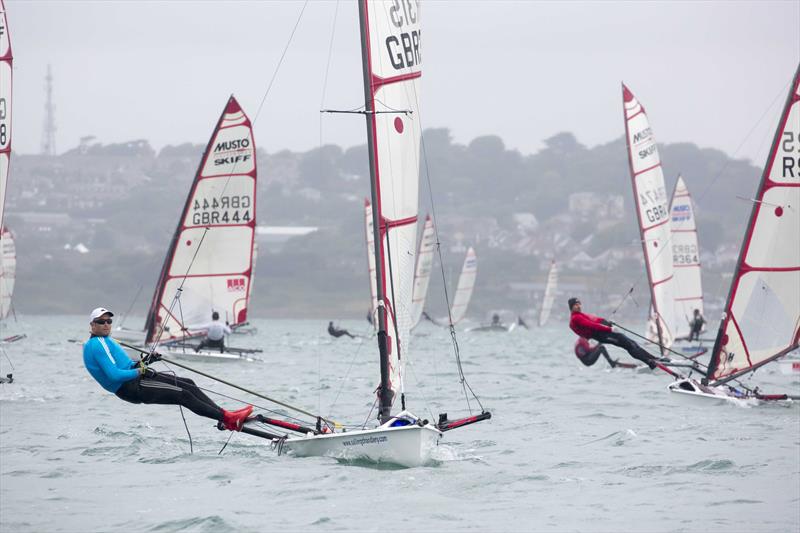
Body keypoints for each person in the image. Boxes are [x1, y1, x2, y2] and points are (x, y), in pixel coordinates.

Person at [83, 307, 252, 431]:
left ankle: (225, 417)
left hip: (136, 379)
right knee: (183, 395)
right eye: (101, 322)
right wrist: (140, 371)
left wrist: (147, 361)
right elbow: (114, 376)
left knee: (188, 383)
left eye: (109, 321)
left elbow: (129, 366)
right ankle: (228, 419)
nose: (106, 325)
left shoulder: (107, 340)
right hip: (130, 387)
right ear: (92, 324)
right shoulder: (96, 344)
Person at [567, 297, 659, 369]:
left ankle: (654, 358)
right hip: (601, 335)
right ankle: (649, 362)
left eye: (579, 304)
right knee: (628, 345)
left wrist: (606, 322)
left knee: (631, 343)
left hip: (603, 333)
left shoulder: (580, 315)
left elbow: (595, 319)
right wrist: (610, 329)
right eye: (575, 304)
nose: (578, 306)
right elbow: (592, 325)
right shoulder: (575, 318)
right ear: (571, 307)